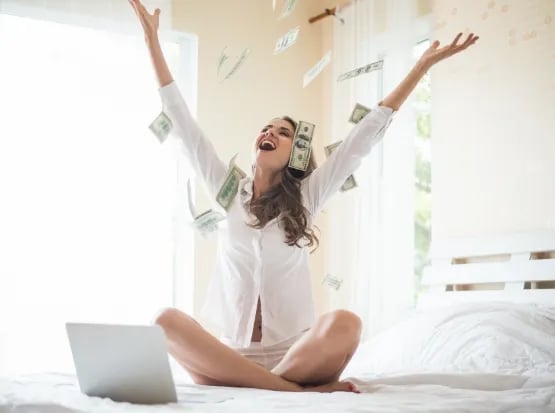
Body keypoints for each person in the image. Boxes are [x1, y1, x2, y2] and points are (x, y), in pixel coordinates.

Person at [128, 0, 478, 393]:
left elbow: (363, 138)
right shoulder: (227, 190)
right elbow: (182, 123)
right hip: (231, 355)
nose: (271, 132)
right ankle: (291, 392)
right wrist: (152, 42)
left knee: (346, 323)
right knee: (165, 320)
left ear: (295, 153)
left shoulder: (308, 196)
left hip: (294, 354)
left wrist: (420, 67)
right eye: (267, 128)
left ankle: (269, 383)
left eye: (283, 132)